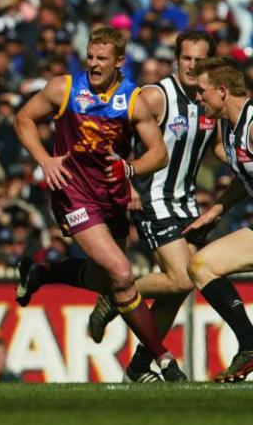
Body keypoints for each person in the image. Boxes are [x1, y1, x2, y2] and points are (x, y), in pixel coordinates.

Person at [13, 26, 187, 381]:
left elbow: (160, 153)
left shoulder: (133, 99)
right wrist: (45, 160)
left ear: (119, 61)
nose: (93, 65)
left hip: (112, 197)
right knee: (123, 274)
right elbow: (23, 118)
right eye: (90, 57)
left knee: (104, 280)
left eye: (101, 59)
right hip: (73, 193)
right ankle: (164, 361)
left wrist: (130, 168)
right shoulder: (63, 88)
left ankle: (41, 273)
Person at [86, 30, 218, 382]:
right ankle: (118, 294)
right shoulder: (157, 96)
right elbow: (116, 135)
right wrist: (127, 182)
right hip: (153, 199)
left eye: (199, 59)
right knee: (182, 278)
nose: (192, 65)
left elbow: (219, 148)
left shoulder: (209, 101)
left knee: (174, 295)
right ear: (177, 59)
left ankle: (140, 366)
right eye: (186, 58)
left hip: (187, 203)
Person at [180, 57, 253, 382]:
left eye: (202, 91)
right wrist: (216, 211)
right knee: (201, 266)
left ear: (222, 91)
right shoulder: (233, 129)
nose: (198, 98)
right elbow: (243, 176)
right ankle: (250, 346)